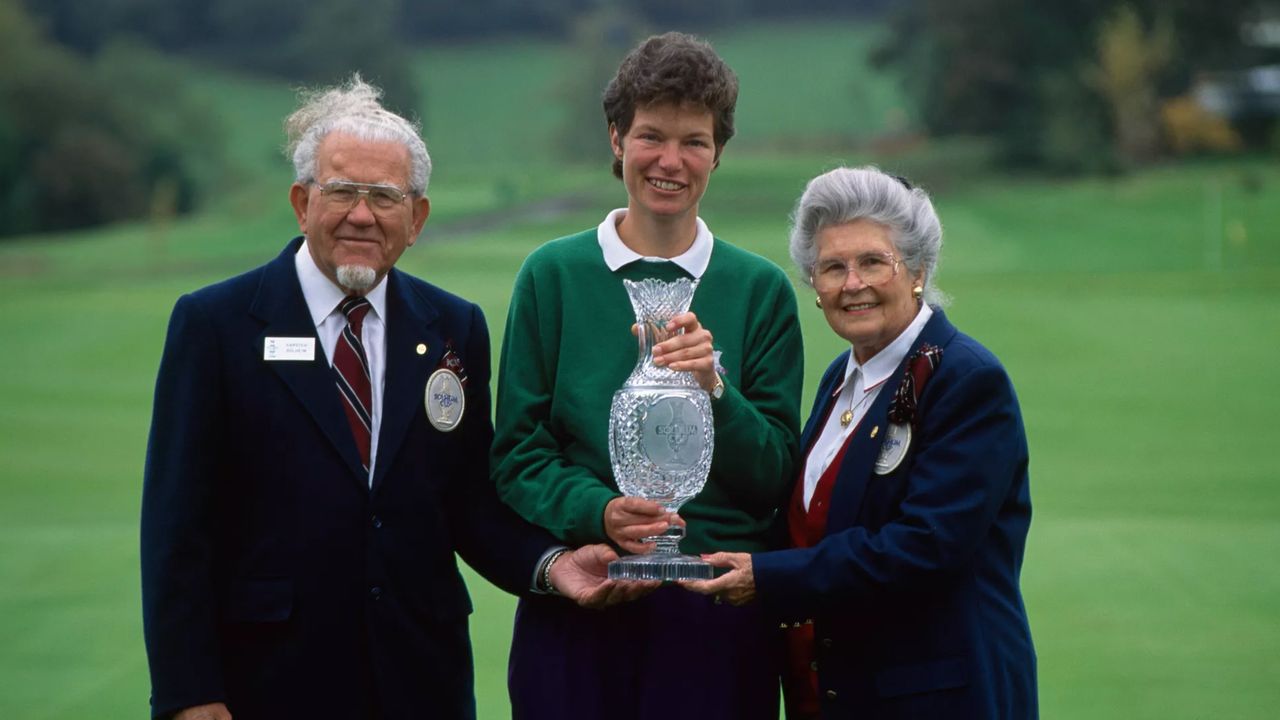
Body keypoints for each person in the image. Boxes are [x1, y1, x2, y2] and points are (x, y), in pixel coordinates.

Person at [140, 76, 636, 720]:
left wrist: (552, 565)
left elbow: (467, 500)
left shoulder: (452, 327)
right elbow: (176, 528)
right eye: (342, 191)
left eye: (384, 196)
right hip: (267, 682)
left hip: (420, 680)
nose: (361, 214)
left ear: (418, 217)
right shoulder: (217, 325)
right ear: (301, 202)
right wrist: (189, 695)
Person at [491, 32, 803, 719]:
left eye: (693, 141)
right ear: (615, 140)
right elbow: (517, 453)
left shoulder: (761, 290)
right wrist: (597, 512)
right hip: (583, 605)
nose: (670, 161)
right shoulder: (553, 275)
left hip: (716, 623)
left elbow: (776, 477)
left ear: (718, 152)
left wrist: (716, 391)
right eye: (650, 136)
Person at [685, 167, 1038, 718]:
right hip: (833, 693)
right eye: (832, 267)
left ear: (918, 269)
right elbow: (813, 523)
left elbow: (926, 547)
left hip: (936, 699)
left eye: (873, 261)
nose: (853, 283)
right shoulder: (840, 377)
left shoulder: (965, 380)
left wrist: (767, 577)